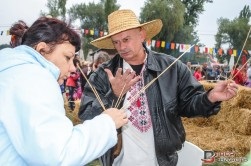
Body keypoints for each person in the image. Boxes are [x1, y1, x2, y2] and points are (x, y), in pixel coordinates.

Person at [78, 9, 238, 166]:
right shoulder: (103, 73)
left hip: (164, 160)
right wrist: (114, 95)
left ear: (142, 35)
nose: (121, 47)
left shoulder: (172, 68)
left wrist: (210, 97)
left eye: (126, 39)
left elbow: (189, 105)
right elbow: (87, 115)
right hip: (120, 160)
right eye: (116, 42)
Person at [0, 17, 128, 165]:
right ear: (42, 50)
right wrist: (107, 123)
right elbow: (57, 154)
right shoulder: (34, 78)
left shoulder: (12, 71)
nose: (73, 68)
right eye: (67, 58)